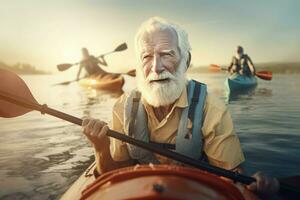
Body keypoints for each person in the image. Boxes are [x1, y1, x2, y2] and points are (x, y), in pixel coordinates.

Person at [82, 17, 279, 196]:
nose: (156, 67)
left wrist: (252, 185)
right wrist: (100, 147)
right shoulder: (123, 107)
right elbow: (114, 175)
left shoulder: (211, 108)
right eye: (147, 57)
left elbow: (232, 177)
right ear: (139, 66)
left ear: (186, 61)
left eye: (166, 54)